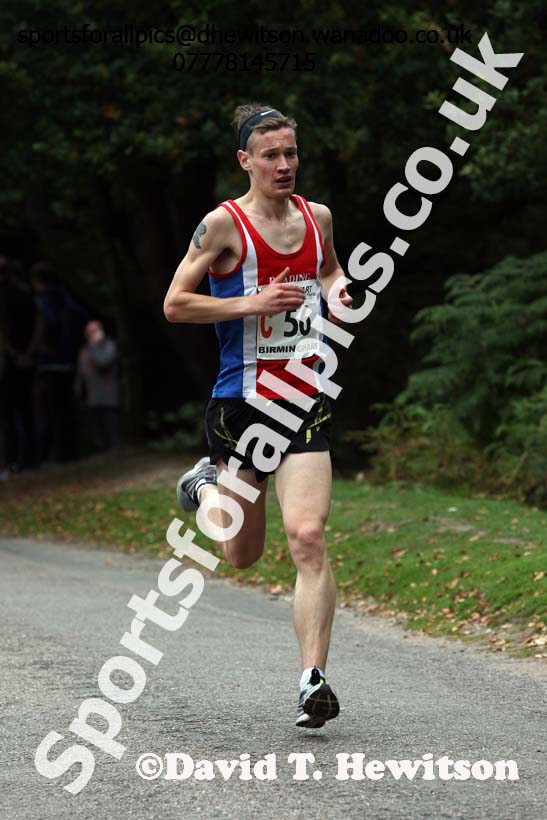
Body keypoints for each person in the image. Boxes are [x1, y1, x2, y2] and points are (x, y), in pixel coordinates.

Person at [163, 103, 352, 728]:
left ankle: (312, 679)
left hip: (304, 401)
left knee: (308, 536)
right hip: (239, 405)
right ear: (245, 161)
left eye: (291, 153)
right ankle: (205, 486)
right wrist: (252, 303)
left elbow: (329, 271)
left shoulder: (317, 217)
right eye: (270, 155)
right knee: (241, 554)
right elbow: (175, 304)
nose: (284, 164)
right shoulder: (221, 226)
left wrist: (341, 292)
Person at [75, 320, 120, 451]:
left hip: (108, 395)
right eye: (90, 332)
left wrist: (94, 346)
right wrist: (78, 390)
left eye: (95, 331)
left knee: (111, 426)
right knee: (96, 430)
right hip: (91, 395)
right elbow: (81, 371)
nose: (93, 334)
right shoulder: (85, 350)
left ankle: (115, 451)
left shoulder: (109, 346)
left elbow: (104, 362)